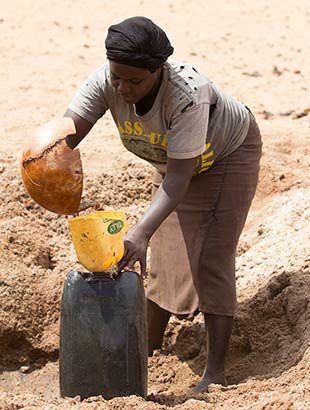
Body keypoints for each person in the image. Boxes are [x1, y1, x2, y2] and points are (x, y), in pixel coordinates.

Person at [63, 16, 262, 393]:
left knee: (210, 259)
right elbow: (69, 131)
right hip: (175, 162)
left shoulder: (186, 94)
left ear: (158, 69)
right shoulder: (109, 79)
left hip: (223, 156)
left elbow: (178, 179)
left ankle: (215, 372)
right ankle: (148, 347)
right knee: (164, 256)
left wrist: (138, 233)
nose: (122, 88)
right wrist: (47, 159)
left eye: (134, 80)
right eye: (117, 77)